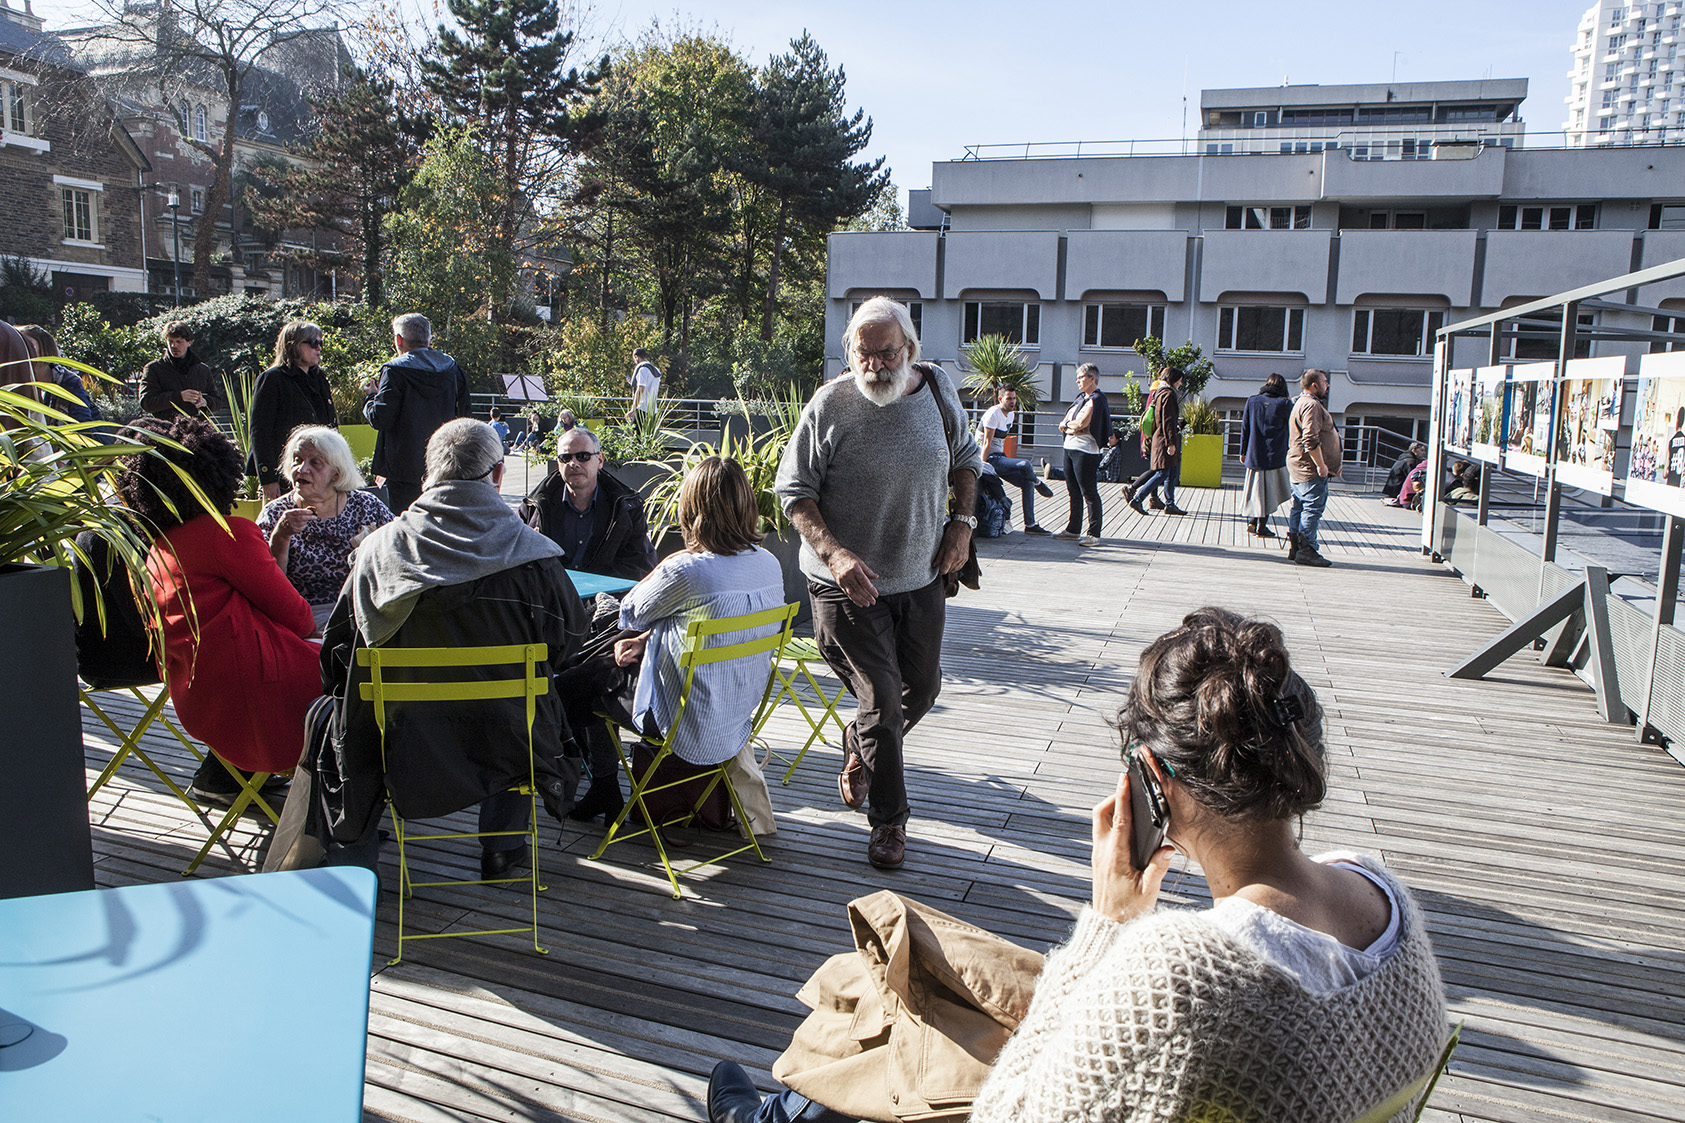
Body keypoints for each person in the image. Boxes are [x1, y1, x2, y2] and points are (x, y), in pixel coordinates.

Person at [709, 608, 1449, 1123]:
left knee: (902, 1018)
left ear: (1152, 779)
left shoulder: (1186, 971)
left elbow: (1009, 1111)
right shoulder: (1383, 898)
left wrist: (1107, 922)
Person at [316, 419, 589, 880]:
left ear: (429, 474)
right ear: (498, 474)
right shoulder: (534, 557)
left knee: (339, 713)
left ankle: (355, 865)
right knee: (523, 701)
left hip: (400, 737)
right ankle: (502, 850)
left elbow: (337, 652)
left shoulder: (377, 552)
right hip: (508, 738)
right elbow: (567, 644)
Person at [774, 295, 982, 870]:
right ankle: (889, 823)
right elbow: (793, 490)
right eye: (862, 355)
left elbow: (967, 458)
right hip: (845, 585)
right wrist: (835, 553)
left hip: (921, 575)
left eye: (886, 354)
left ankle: (858, 745)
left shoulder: (938, 390)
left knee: (923, 688)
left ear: (910, 348)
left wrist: (961, 525)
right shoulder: (830, 403)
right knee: (883, 697)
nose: (874, 367)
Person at [116, 415, 319, 807]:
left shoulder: (157, 548)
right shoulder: (226, 534)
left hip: (200, 700)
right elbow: (299, 617)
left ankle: (230, 779)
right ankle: (343, 807)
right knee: (360, 668)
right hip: (257, 696)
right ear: (216, 473)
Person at [613, 456, 784, 771]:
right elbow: (716, 625)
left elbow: (631, 613)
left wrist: (674, 556)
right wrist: (649, 639)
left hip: (684, 724)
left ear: (691, 510)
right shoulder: (769, 564)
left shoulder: (689, 570)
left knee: (582, 683)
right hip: (733, 720)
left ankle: (599, 785)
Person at [255, 426, 394, 629]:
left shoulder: (366, 505)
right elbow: (266, 585)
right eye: (297, 460)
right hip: (301, 616)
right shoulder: (275, 513)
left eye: (315, 463)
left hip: (361, 611)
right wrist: (281, 536)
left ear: (336, 474)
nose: (302, 469)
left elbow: (398, 549)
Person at [362, 312, 472, 513]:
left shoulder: (394, 371)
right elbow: (465, 418)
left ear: (398, 340)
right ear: (430, 339)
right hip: (443, 463)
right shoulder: (452, 369)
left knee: (405, 524)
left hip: (403, 468)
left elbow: (381, 418)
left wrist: (370, 398)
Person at [517, 426, 659, 580]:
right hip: (551, 600)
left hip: (608, 598)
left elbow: (641, 566)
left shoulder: (626, 508)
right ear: (558, 463)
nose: (573, 463)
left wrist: (600, 594)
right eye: (566, 457)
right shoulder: (533, 507)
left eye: (583, 456)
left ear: (600, 460)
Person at [250, 320, 338, 500]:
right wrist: (268, 478)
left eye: (321, 343)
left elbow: (330, 424)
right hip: (286, 471)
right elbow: (260, 431)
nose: (319, 348)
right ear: (294, 345)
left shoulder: (318, 377)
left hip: (318, 471)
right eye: (313, 343)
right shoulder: (273, 378)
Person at [976, 386, 1054, 535]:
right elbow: (987, 443)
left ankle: (1030, 525)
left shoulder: (1010, 415)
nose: (1013, 402)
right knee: (1025, 464)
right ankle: (1039, 482)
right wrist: (982, 466)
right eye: (1009, 398)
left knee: (1027, 481)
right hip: (989, 460)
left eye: (1014, 398)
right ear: (1000, 399)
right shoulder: (993, 414)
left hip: (1000, 457)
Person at [1286, 368, 1340, 568]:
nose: (1328, 385)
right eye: (1325, 382)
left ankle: (1296, 547)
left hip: (1299, 465)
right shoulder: (1311, 405)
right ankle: (1307, 549)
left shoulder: (1300, 401)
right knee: (1312, 508)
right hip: (1309, 468)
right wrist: (1321, 465)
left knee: (1299, 506)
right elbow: (1310, 438)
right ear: (1314, 385)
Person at [1055, 363, 1110, 545]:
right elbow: (1069, 420)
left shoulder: (1097, 399)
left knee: (1089, 492)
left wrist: (1070, 424)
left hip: (1086, 450)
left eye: (1081, 377)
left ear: (1092, 378)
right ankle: (1073, 529)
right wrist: (1071, 424)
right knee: (1073, 490)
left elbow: (1081, 424)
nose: (1078, 381)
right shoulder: (1081, 399)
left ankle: (1094, 533)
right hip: (1070, 446)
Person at [1129, 366, 1188, 518]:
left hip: (1159, 437)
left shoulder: (1159, 393)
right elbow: (1167, 421)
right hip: (1164, 440)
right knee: (1162, 473)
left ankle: (1170, 504)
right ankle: (1137, 498)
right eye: (1180, 381)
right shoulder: (1168, 395)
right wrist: (1170, 443)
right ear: (1173, 380)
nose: (1180, 384)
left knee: (1171, 471)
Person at [1239, 373, 1293, 537]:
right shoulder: (1285, 404)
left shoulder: (1252, 400)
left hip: (1254, 453)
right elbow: (1292, 429)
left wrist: (1243, 451)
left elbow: (1245, 428)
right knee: (1270, 492)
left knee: (1256, 490)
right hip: (1275, 455)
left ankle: (1253, 521)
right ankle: (1261, 526)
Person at [138, 320, 222, 418]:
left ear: (189, 342)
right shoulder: (154, 368)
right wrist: (178, 397)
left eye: (178, 341)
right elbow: (146, 403)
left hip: (197, 428)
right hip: (166, 429)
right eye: (170, 341)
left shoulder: (202, 369)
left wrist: (206, 402)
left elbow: (217, 402)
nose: (174, 346)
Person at [628, 347, 661, 421]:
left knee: (637, 432)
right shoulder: (656, 370)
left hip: (642, 409)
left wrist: (633, 409)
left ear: (637, 357)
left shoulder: (642, 370)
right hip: (653, 409)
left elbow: (640, 390)